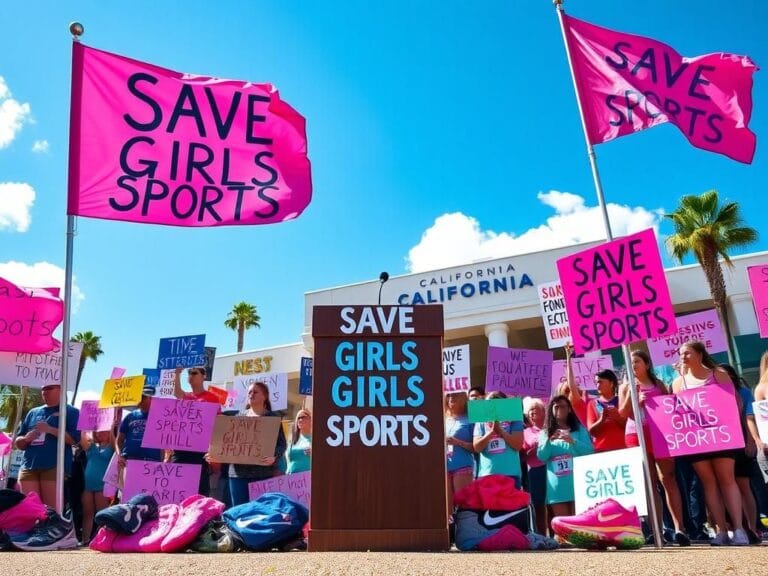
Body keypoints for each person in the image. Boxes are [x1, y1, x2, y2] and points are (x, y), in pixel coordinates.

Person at [671, 341, 748, 546]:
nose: (683, 357)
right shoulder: (678, 383)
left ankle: (739, 529)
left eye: (687, 353)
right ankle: (721, 530)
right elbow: (677, 412)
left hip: (722, 436)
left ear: (699, 354)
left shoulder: (718, 374)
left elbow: (737, 402)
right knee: (709, 484)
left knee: (727, 480)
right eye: (681, 354)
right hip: (697, 441)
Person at [618, 350, 689, 546]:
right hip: (636, 435)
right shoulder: (625, 386)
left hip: (660, 435)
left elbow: (670, 407)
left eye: (637, 361)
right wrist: (633, 399)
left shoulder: (658, 384)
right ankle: (657, 529)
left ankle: (679, 528)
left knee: (668, 479)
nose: (633, 365)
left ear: (647, 364)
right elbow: (622, 413)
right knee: (649, 483)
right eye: (630, 362)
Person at [14, 383, 80, 507]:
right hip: (28, 466)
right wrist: (26, 439)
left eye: (49, 388)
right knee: (31, 509)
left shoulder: (71, 412)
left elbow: (73, 440)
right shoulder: (33, 412)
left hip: (54, 466)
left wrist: (50, 429)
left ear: (61, 390)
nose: (44, 391)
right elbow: (18, 443)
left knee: (51, 511)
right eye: (43, 388)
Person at [720, 363, 762, 544]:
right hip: (722, 445)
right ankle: (734, 528)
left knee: (744, 486)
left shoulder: (743, 392)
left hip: (741, 444)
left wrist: (751, 441)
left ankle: (751, 528)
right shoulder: (715, 394)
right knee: (725, 487)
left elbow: (749, 417)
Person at [227, 381, 287, 507]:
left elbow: (282, 444)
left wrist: (274, 457)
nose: (251, 394)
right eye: (249, 392)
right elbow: (227, 442)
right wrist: (215, 453)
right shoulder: (238, 417)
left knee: (260, 514)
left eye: (255, 392)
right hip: (238, 475)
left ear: (264, 396)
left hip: (263, 474)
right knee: (240, 514)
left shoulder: (272, 418)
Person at [537, 395, 593, 522]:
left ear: (569, 409)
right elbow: (542, 456)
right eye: (556, 407)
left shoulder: (579, 430)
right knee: (565, 525)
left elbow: (589, 451)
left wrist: (573, 441)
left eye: (563, 406)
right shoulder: (545, 433)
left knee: (580, 523)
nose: (559, 409)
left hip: (579, 483)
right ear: (551, 410)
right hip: (557, 486)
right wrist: (548, 441)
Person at [172, 366, 221, 496]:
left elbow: (217, 424)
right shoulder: (186, 396)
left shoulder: (212, 398)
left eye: (194, 373)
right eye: (189, 373)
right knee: (179, 485)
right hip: (181, 448)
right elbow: (177, 393)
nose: (191, 376)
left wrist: (214, 449)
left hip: (200, 450)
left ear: (204, 376)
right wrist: (177, 374)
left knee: (199, 488)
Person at [472, 391, 524, 486]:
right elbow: (477, 447)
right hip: (487, 475)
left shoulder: (514, 419)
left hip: (510, 475)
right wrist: (490, 433)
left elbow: (518, 445)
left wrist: (500, 431)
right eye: (489, 403)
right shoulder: (480, 421)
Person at [116, 385, 163, 474]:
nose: (140, 400)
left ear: (152, 399)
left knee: (147, 488)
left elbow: (165, 445)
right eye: (139, 397)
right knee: (128, 488)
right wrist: (119, 456)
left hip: (152, 464)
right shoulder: (130, 416)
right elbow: (119, 440)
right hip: (129, 461)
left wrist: (163, 462)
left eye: (143, 397)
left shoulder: (161, 418)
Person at [80, 430, 115, 545]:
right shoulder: (91, 446)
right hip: (88, 485)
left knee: (102, 514)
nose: (100, 434)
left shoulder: (112, 447)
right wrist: (83, 427)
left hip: (103, 485)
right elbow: (82, 438)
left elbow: (116, 442)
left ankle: (102, 539)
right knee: (87, 513)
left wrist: (112, 426)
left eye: (103, 432)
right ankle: (85, 539)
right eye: (97, 432)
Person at [522, 396, 548, 535]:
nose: (531, 413)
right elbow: (523, 456)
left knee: (552, 503)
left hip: (551, 469)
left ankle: (559, 536)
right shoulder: (526, 432)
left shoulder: (551, 429)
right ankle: (542, 534)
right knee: (538, 504)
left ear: (544, 412)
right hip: (535, 471)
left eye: (535, 410)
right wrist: (536, 448)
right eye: (529, 411)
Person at [445, 392, 474, 512]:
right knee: (447, 510)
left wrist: (458, 442)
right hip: (445, 468)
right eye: (449, 395)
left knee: (464, 507)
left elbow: (477, 447)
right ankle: (450, 531)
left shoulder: (470, 419)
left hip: (462, 466)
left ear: (463, 398)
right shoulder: (444, 419)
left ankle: (466, 530)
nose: (451, 398)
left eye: (455, 395)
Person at [586, 369, 626, 452]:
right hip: (602, 450)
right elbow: (591, 431)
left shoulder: (622, 400)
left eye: (600, 382)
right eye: (596, 382)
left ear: (611, 384)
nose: (597, 385)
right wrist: (602, 419)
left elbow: (631, 426)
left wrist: (616, 416)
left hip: (624, 447)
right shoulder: (592, 404)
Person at [562, 343, 589, 427]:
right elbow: (571, 384)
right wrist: (568, 356)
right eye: (569, 391)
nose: (577, 384)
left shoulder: (587, 401)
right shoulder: (578, 404)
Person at [286, 409, 312, 474]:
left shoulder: (316, 440)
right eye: (298, 418)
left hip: (307, 480)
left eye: (303, 417)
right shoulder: (292, 440)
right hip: (290, 479)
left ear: (311, 420)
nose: (300, 420)